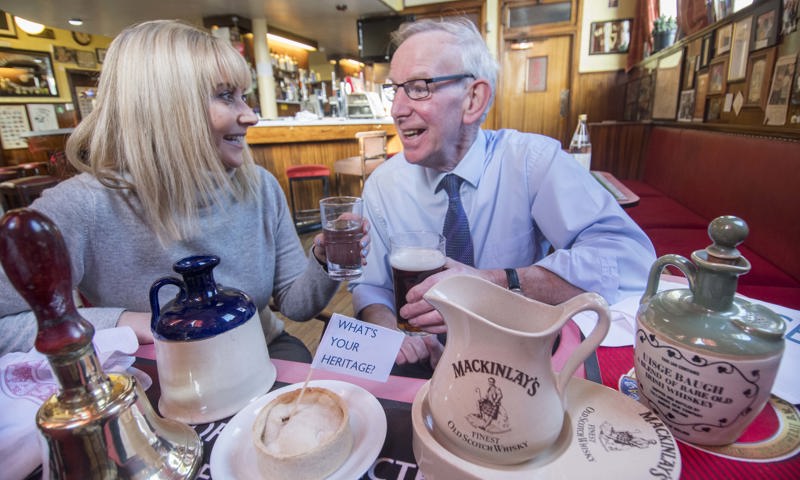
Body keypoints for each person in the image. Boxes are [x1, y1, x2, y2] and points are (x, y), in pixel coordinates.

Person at [0, 20, 369, 361]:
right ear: (165, 108)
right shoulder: (83, 205)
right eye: (226, 96)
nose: (250, 115)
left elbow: (295, 305)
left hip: (261, 350)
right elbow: (7, 325)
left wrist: (323, 259)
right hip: (158, 371)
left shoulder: (260, 187)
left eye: (244, 95)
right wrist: (125, 322)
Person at [350, 18, 655, 377]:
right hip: (421, 367)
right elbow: (371, 287)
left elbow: (632, 261)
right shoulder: (383, 185)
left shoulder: (531, 162)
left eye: (418, 88)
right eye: (395, 90)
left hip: (516, 362)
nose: (397, 110)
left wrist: (497, 281)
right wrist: (389, 332)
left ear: (473, 99)